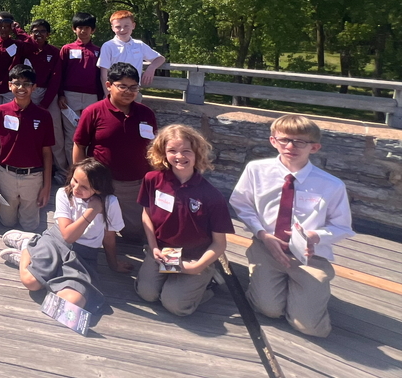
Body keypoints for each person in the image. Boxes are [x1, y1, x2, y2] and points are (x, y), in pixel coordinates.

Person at [229, 115, 354, 338]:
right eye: (284, 140)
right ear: (273, 141)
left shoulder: (331, 185)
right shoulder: (256, 170)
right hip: (267, 248)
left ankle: (309, 292)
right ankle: (289, 290)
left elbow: (342, 226)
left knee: (309, 327)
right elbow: (241, 203)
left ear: (314, 147)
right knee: (268, 309)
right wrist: (262, 234)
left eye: (300, 142)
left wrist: (315, 236)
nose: (290, 146)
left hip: (309, 256)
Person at [136, 125, 234, 316]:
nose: (179, 156)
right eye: (172, 150)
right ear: (163, 153)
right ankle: (175, 282)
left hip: (194, 256)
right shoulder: (152, 179)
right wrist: (153, 247)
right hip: (164, 252)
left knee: (175, 305)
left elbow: (219, 244)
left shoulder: (211, 195)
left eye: (186, 151)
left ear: (197, 153)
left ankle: (206, 281)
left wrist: (196, 267)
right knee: (148, 294)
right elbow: (146, 214)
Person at [72, 62, 157, 242]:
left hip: (135, 184)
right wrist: (80, 179)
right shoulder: (93, 112)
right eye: (122, 86)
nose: (128, 91)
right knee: (97, 230)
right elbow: (79, 145)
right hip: (101, 182)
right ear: (109, 85)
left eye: (133, 87)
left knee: (134, 233)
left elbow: (154, 148)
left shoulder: (146, 113)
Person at [1, 157, 131, 275]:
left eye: (84, 187)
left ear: (98, 189)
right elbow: (68, 237)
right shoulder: (64, 194)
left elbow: (109, 237)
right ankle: (27, 248)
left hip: (85, 252)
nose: (76, 188)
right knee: (31, 282)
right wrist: (92, 211)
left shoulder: (110, 202)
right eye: (75, 180)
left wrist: (113, 264)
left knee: (61, 279)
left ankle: (36, 255)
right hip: (57, 240)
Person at [0, 65, 55, 231]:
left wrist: (46, 187)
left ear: (34, 87)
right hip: (6, 174)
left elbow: (47, 153)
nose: (21, 88)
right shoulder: (0, 112)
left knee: (30, 226)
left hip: (33, 177)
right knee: (7, 222)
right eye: (17, 83)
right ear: (10, 85)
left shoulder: (44, 116)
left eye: (26, 84)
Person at [58, 12, 104, 175]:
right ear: (74, 29)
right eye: (80, 27)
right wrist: (61, 94)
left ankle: (88, 173)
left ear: (93, 30)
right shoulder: (67, 49)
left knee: (90, 135)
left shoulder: (99, 51)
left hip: (92, 98)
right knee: (72, 135)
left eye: (87, 28)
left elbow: (102, 76)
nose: (83, 31)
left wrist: (102, 98)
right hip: (70, 97)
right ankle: (73, 173)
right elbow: (59, 74)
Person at [25, 19, 65, 175]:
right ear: (30, 33)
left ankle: (62, 170)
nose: (38, 34)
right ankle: (30, 165)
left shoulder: (54, 52)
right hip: (28, 92)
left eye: (42, 31)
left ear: (48, 34)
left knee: (55, 132)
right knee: (27, 130)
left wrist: (46, 102)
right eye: (35, 31)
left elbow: (56, 78)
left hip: (49, 94)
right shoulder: (26, 49)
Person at [97, 10, 166, 90]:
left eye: (126, 26)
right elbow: (104, 75)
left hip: (134, 90)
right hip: (116, 91)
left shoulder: (139, 45)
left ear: (133, 25)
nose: (122, 29)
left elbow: (160, 58)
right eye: (118, 27)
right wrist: (108, 94)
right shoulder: (108, 46)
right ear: (112, 28)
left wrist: (151, 68)